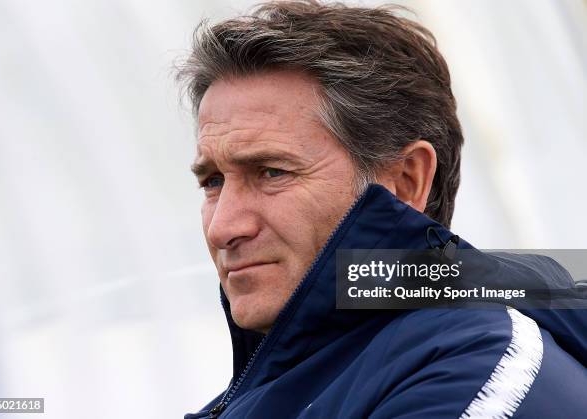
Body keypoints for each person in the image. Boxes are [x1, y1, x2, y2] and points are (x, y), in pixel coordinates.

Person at [177, 1, 587, 418]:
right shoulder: (310, 382)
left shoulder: (467, 368)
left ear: (406, 182)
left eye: (271, 172)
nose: (223, 228)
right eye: (212, 182)